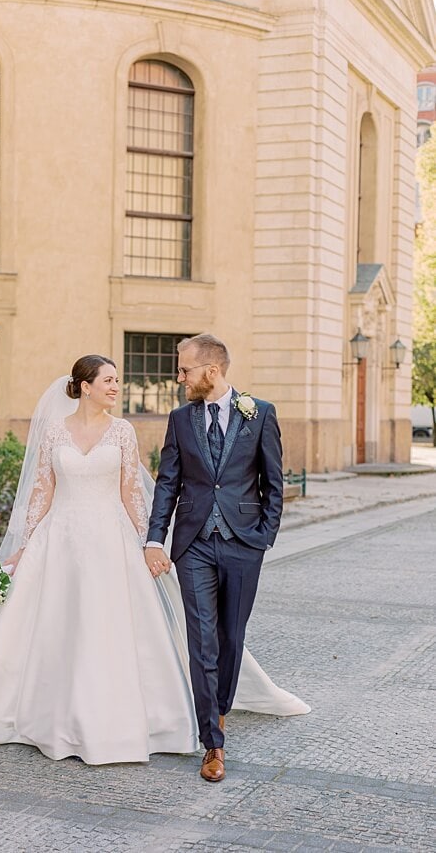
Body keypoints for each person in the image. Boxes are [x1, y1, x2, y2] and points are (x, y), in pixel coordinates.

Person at [0, 354, 308, 767]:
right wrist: (24, 546)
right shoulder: (54, 433)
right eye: (109, 381)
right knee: (53, 627)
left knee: (109, 626)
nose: (117, 387)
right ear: (85, 386)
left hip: (110, 540)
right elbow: (41, 491)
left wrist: (149, 543)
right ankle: (42, 718)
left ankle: (122, 720)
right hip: (58, 539)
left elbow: (134, 491)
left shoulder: (122, 432)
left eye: (117, 380)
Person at [144, 333, 285, 782]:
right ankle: (213, 744)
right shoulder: (180, 419)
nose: (179, 377)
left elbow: (274, 483)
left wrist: (263, 537)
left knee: (230, 637)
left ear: (211, 371)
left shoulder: (259, 414)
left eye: (184, 369)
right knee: (202, 639)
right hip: (194, 544)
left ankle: (219, 711)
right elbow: (168, 482)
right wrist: (154, 539)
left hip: (244, 543)